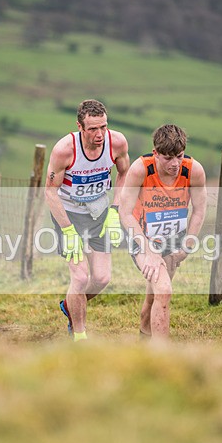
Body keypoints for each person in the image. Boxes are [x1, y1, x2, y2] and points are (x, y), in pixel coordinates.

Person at [45, 99, 130, 341]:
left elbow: (125, 173)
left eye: (103, 127)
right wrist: (68, 231)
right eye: (93, 129)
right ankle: (80, 336)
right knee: (81, 277)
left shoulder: (117, 142)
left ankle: (70, 305)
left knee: (102, 278)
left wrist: (114, 211)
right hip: (69, 215)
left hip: (99, 213)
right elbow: (50, 191)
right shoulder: (65, 149)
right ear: (80, 127)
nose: (100, 134)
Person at [119, 124, 207, 341]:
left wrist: (187, 245)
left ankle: (144, 337)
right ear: (156, 153)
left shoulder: (193, 171)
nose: (175, 163)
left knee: (155, 297)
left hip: (173, 241)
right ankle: (162, 355)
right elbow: (125, 213)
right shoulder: (141, 170)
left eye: (179, 156)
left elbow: (199, 209)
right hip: (142, 238)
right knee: (164, 290)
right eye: (168, 157)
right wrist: (148, 251)